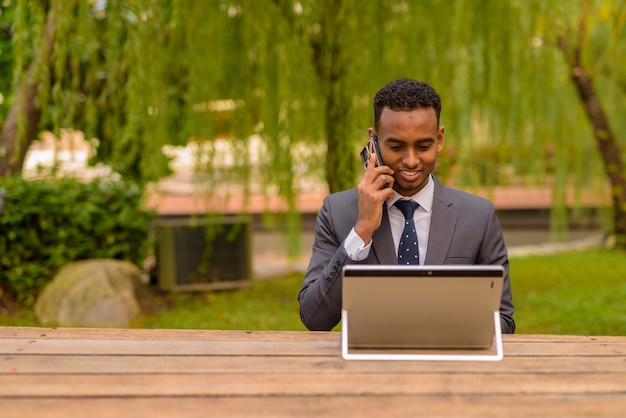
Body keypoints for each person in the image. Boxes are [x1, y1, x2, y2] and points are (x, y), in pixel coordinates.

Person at [298, 78, 515, 334]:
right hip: (368, 369)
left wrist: (434, 327)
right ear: (374, 140)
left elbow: (504, 321)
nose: (411, 161)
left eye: (423, 146)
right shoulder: (337, 211)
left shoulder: (479, 217)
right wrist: (361, 231)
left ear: (440, 139)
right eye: (396, 146)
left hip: (447, 368)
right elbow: (314, 318)